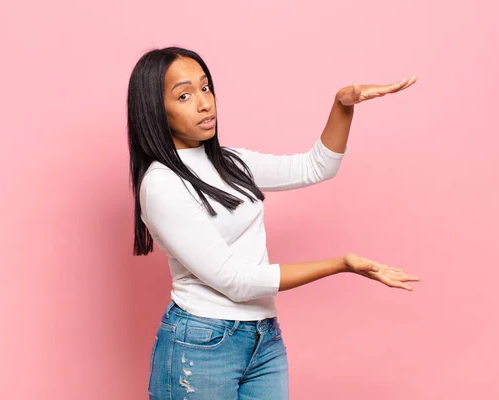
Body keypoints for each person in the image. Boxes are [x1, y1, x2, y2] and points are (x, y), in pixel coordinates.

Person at [126, 46, 420, 400]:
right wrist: (341, 264)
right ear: (156, 111)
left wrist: (342, 105)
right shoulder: (162, 184)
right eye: (185, 95)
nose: (204, 103)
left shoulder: (229, 162)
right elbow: (236, 282)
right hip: (201, 344)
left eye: (205, 88)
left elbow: (316, 166)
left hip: (262, 338)